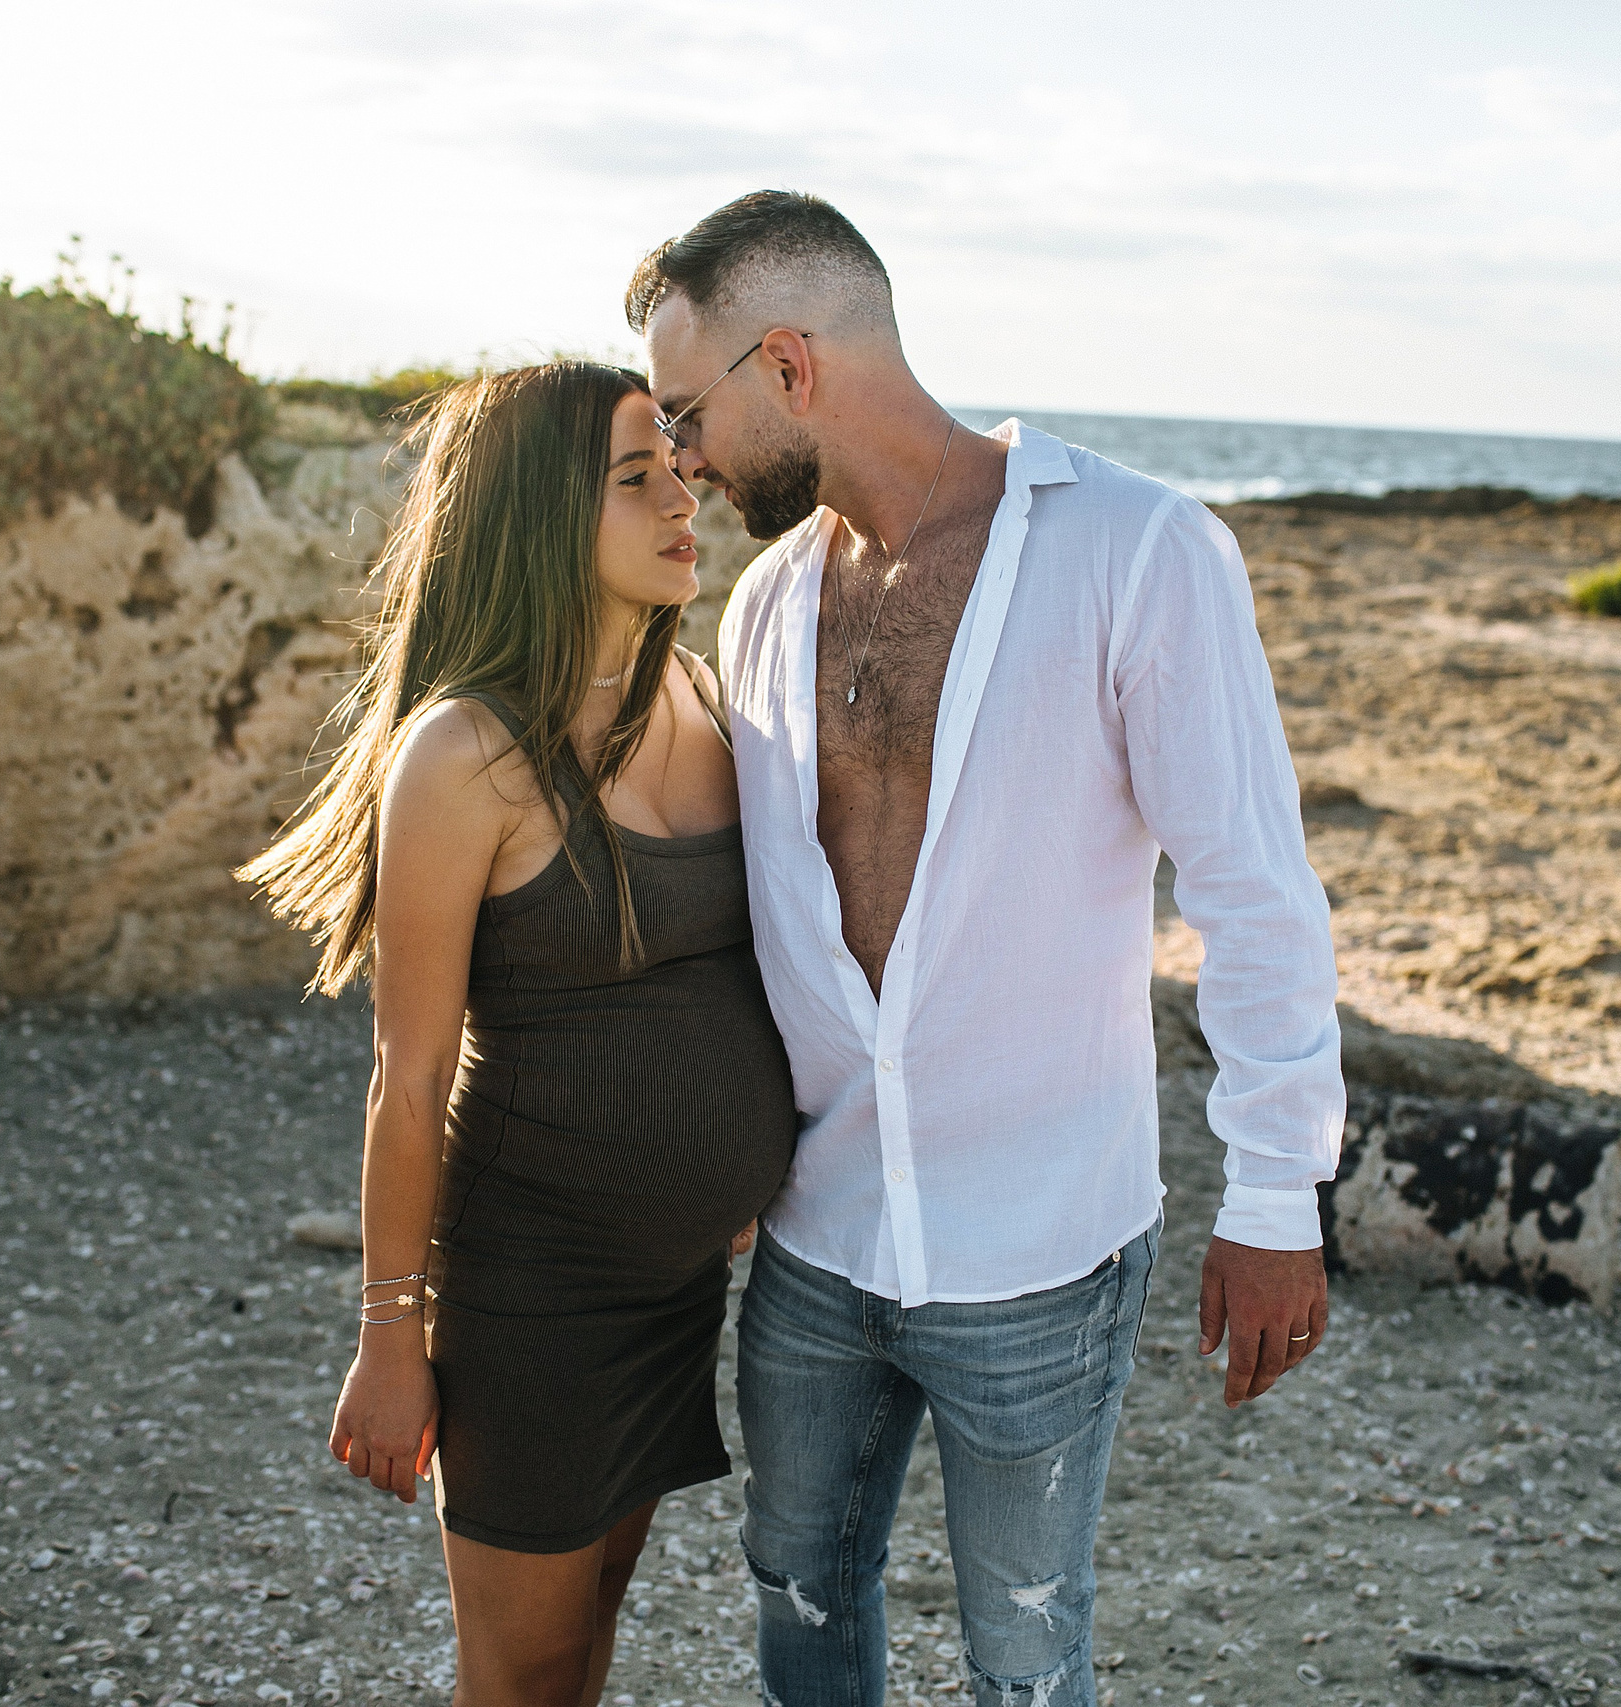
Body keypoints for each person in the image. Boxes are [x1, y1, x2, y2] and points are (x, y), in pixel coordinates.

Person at [628, 193, 1343, 1707]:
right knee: (800, 1594)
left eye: (689, 412)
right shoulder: (762, 604)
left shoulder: (1139, 552)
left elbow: (1255, 888)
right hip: (818, 1228)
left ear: (790, 367)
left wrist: (1279, 1193)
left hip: (1037, 1238)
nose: (680, 453)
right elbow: (761, 911)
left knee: (1027, 1646)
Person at [238, 362, 799, 1706]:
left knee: (594, 1628)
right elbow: (410, 1074)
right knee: (526, 1672)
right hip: (533, 1292)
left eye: (677, 462)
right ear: (542, 517)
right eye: (635, 477)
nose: (685, 498)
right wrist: (388, 1338)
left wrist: (744, 1170)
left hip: (674, 1286)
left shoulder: (705, 701)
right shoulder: (464, 756)